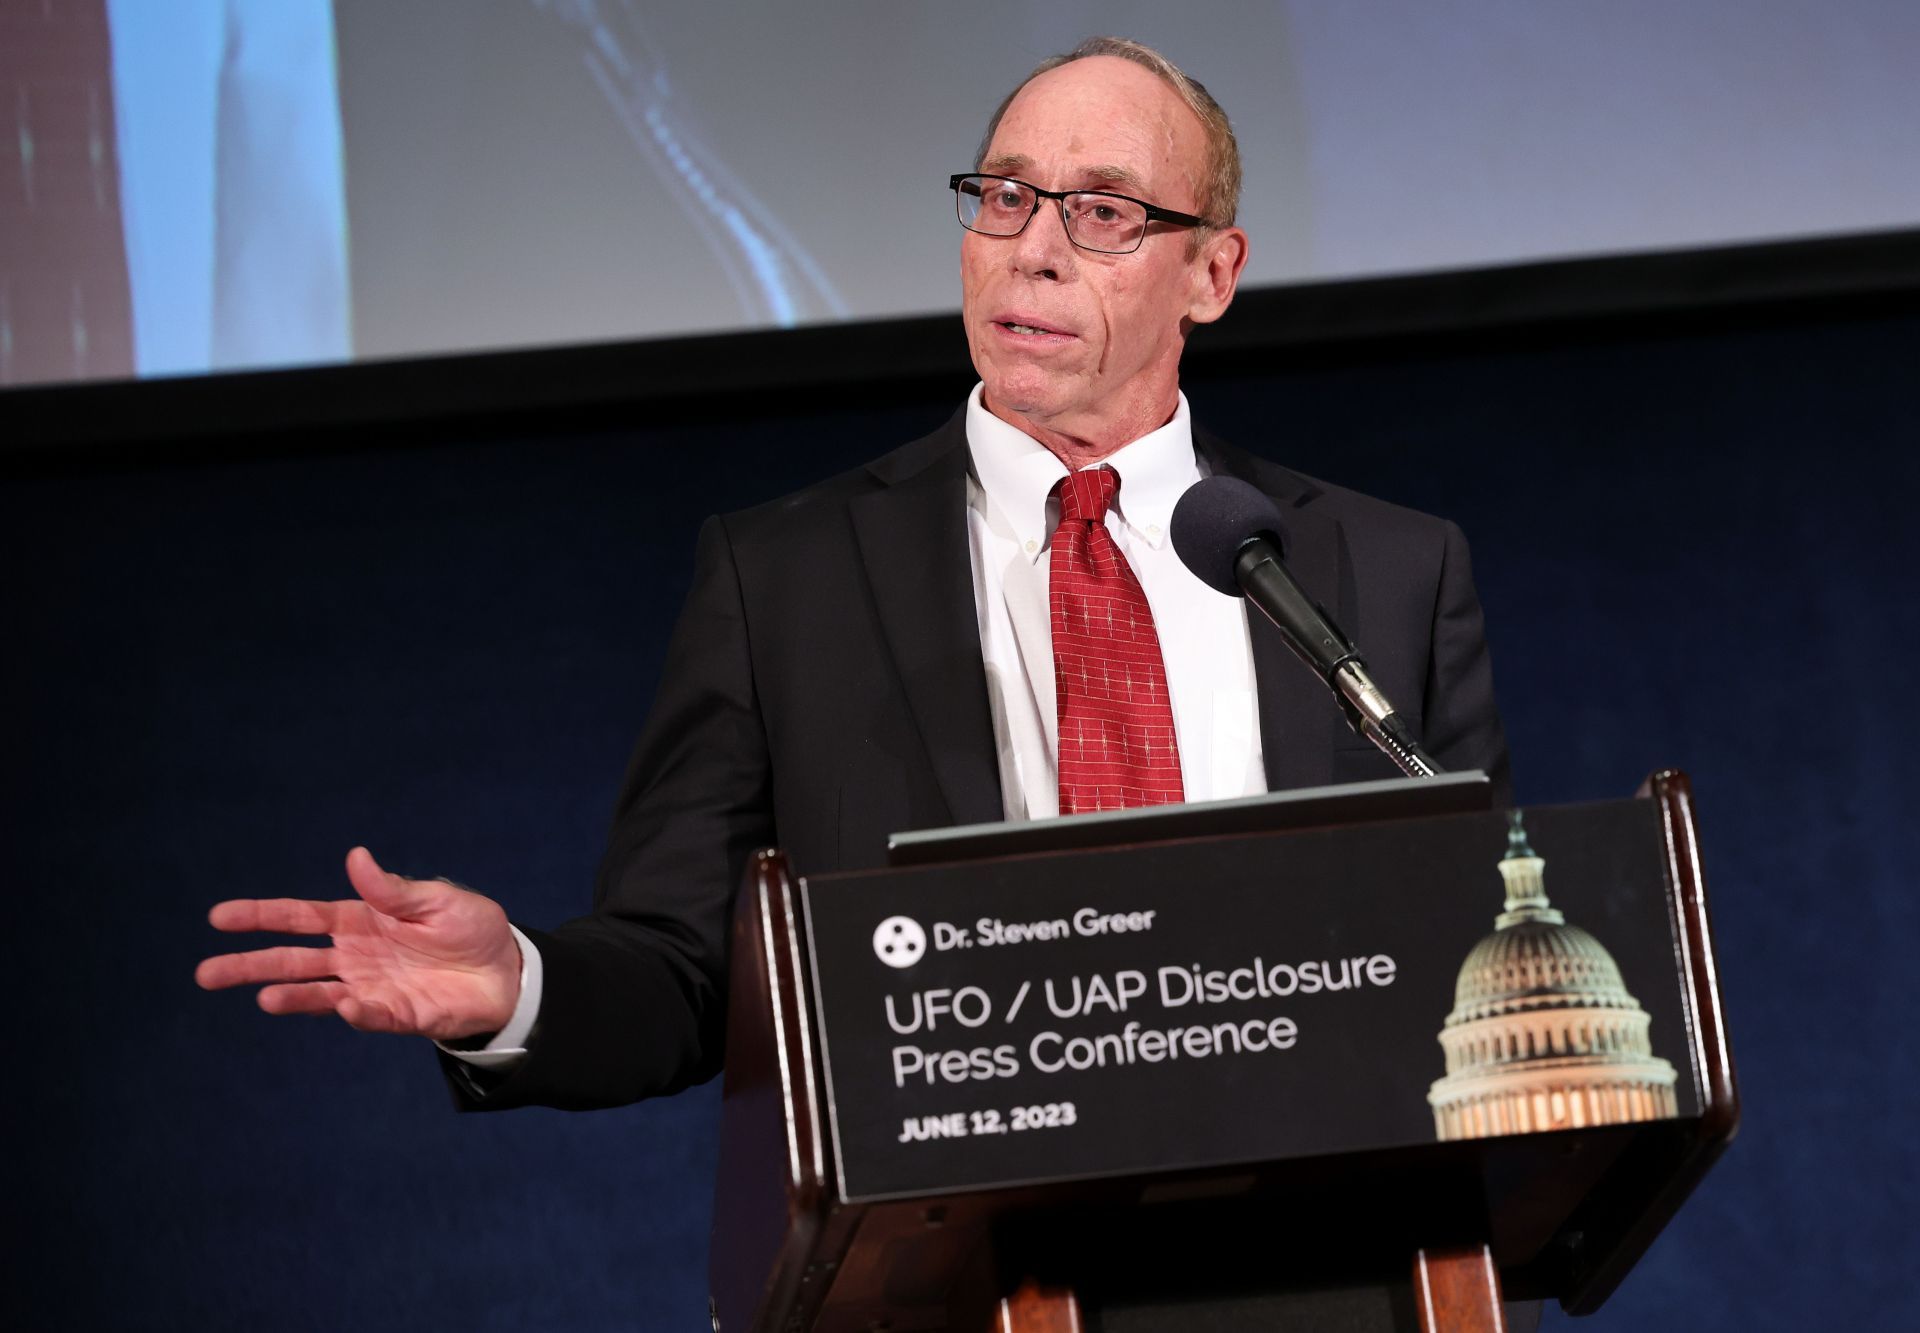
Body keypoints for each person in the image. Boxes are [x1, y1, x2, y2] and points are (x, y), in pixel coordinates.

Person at [197, 38, 1509, 1114]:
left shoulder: (1380, 570)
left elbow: (1478, 938)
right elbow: (680, 969)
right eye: (1004, 196)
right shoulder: (787, 579)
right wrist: (521, 984)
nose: (1032, 248)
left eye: (1101, 212)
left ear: (1212, 274)